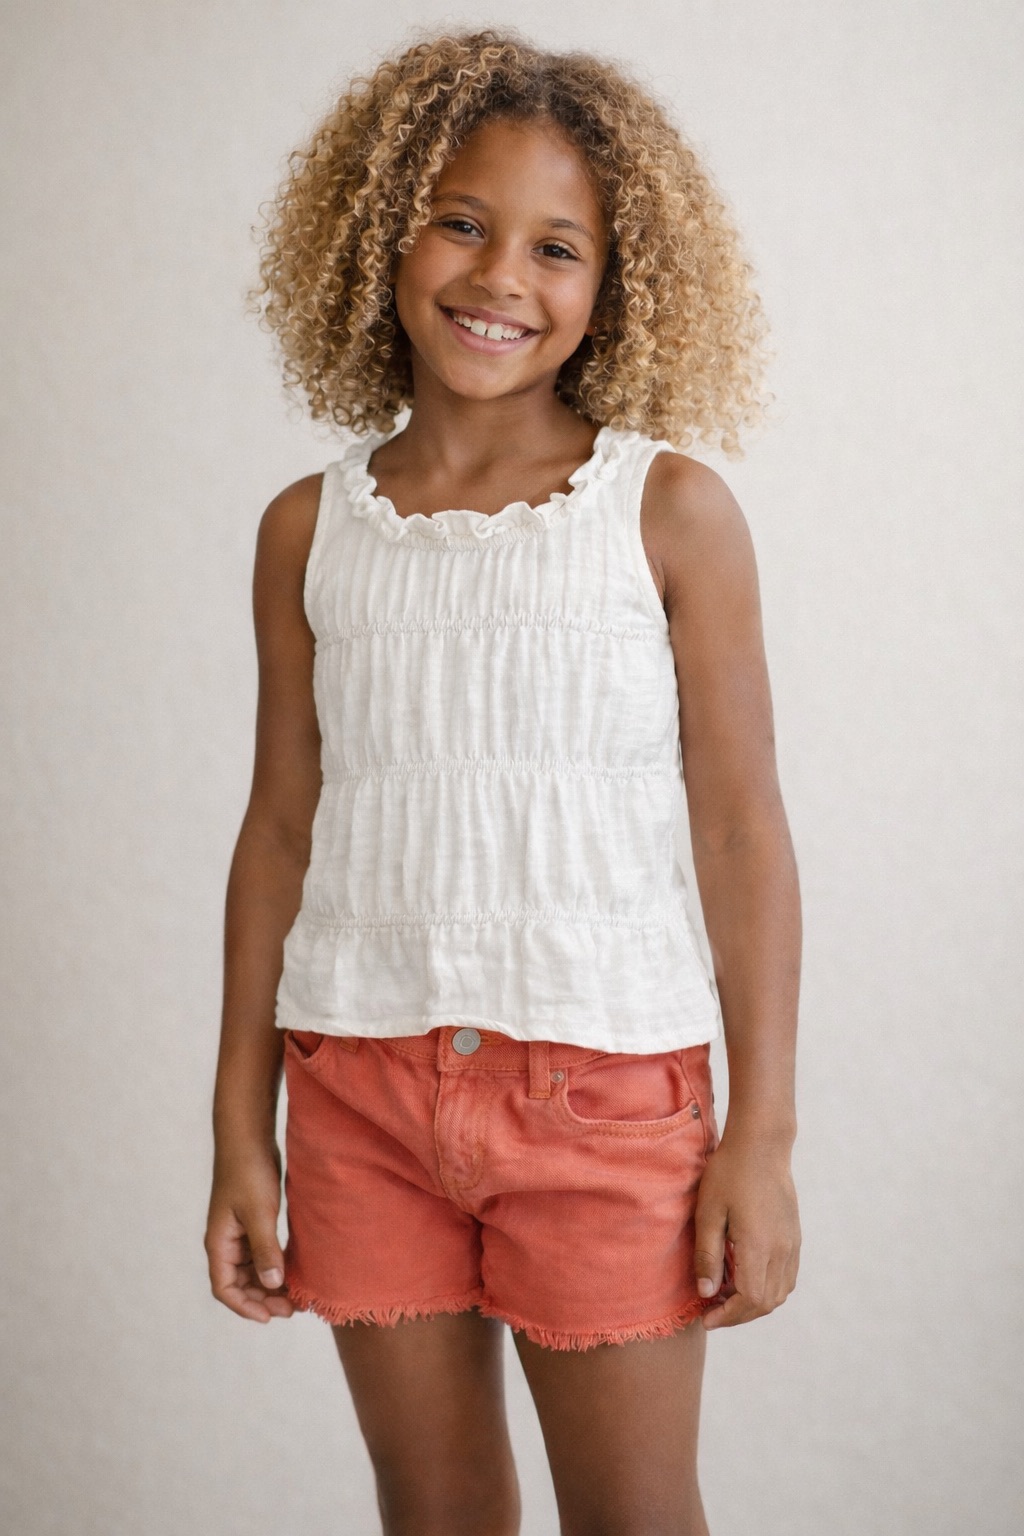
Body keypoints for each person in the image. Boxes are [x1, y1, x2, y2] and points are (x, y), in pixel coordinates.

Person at [205, 28, 801, 1536]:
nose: (500, 278)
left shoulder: (667, 513)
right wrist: (239, 1126)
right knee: (434, 1509)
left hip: (605, 1099)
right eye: (461, 221)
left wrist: (764, 1135)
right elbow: (280, 829)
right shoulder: (308, 530)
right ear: (380, 230)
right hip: (357, 1092)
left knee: (634, 1515)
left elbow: (741, 832)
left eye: (557, 247)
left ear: (616, 283)